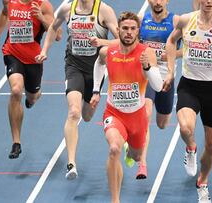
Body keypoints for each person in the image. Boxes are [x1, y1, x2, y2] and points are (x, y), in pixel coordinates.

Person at [165, 0, 212, 202]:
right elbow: (171, 41)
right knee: (185, 128)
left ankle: (203, 181)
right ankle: (190, 147)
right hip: (189, 86)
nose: (208, 2)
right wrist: (171, 71)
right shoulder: (185, 20)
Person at [35, 0, 119, 180]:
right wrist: (45, 50)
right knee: (74, 112)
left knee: (87, 116)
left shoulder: (104, 10)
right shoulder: (67, 8)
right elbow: (52, 27)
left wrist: (102, 41)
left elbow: (122, 40)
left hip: (96, 69)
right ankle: (71, 163)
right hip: (73, 66)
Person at [90, 11, 163, 203]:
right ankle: (115, 200)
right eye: (125, 28)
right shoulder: (109, 51)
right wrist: (96, 90)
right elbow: (99, 64)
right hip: (114, 113)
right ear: (119, 30)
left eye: (132, 29)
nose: (128, 32)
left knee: (137, 155)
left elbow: (157, 86)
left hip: (137, 117)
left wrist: (147, 68)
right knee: (114, 148)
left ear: (138, 31)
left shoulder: (146, 53)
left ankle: (130, 152)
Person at [0, 0, 61, 159]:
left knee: (32, 96)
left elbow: (58, 34)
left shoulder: (43, 5)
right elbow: (4, 12)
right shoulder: (10, 1)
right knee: (15, 91)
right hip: (12, 53)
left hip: (34, 58)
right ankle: (16, 142)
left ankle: (34, 96)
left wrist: (41, 18)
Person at [132, 0, 182, 179]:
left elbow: (188, 48)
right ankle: (142, 165)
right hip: (145, 75)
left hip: (166, 78)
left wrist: (169, 54)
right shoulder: (140, 21)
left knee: (162, 124)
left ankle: (133, 146)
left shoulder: (176, 21)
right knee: (146, 112)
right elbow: (130, 45)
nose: (158, 2)